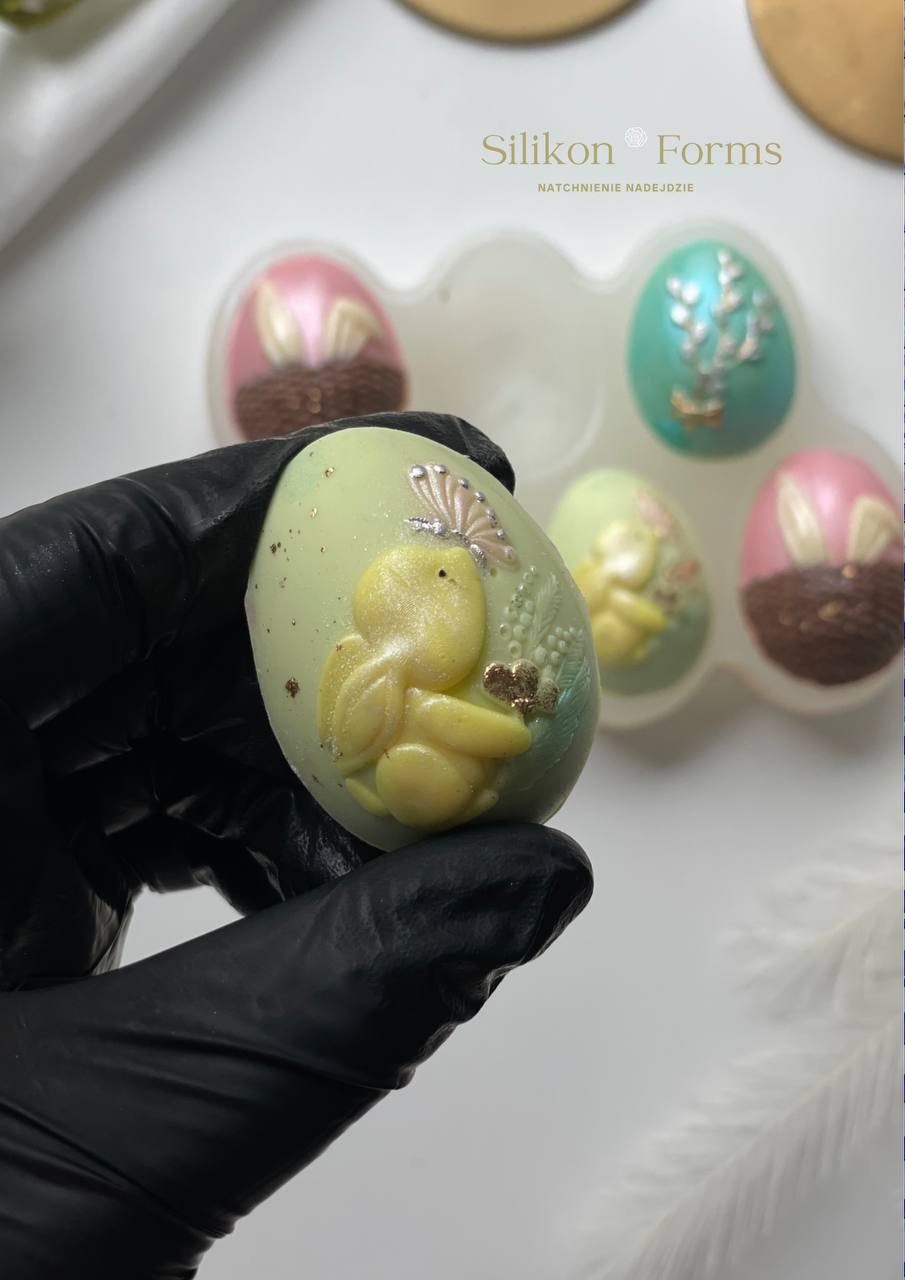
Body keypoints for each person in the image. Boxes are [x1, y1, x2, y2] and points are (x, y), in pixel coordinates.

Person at [0, 412, 592, 1279]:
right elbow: (479, 731)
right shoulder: (384, 677)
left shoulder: (387, 677)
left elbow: (491, 728)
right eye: (443, 583)